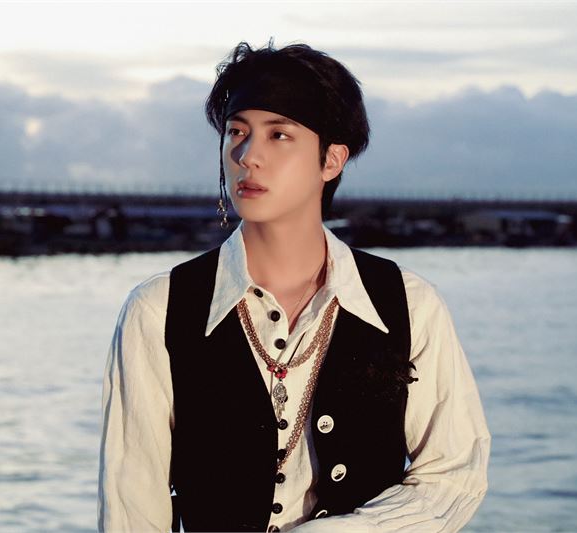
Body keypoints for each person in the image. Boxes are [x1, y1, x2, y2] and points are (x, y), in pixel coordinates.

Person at [98, 40, 491, 533]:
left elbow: (453, 476)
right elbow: (132, 503)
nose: (247, 156)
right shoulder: (159, 309)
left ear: (332, 160)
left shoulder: (408, 303)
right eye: (236, 132)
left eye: (279, 135)